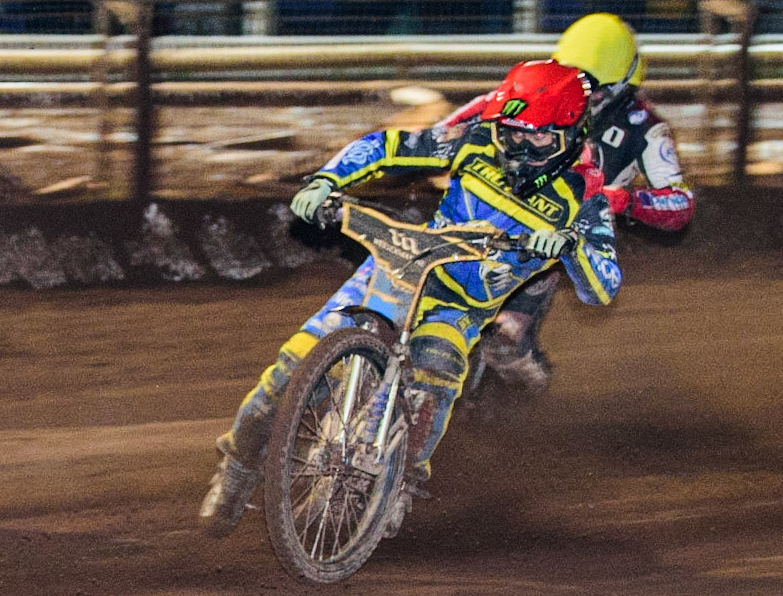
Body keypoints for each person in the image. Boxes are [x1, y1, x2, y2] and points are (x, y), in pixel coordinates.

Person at [200, 59, 621, 536]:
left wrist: (571, 247)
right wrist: (326, 180)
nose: (520, 147)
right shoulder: (475, 139)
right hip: (402, 266)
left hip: (460, 306)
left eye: (538, 137)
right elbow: (388, 146)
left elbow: (603, 286)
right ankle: (237, 466)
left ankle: (401, 481)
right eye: (511, 132)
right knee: (290, 370)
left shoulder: (585, 198)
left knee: (436, 369)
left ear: (572, 132)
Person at [432, 13, 693, 387]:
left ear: (622, 85)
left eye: (592, 86)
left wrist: (622, 200)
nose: (581, 92)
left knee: (515, 318)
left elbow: (680, 204)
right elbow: (447, 131)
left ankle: (515, 344)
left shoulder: (645, 129)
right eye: (574, 78)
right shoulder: (537, 91)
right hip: (489, 203)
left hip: (561, 227)